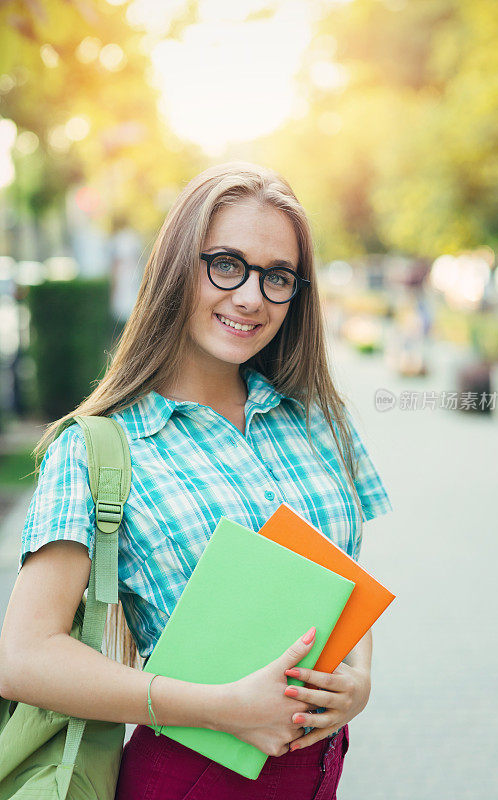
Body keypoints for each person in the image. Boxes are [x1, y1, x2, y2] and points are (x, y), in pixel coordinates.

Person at [0, 162, 393, 800]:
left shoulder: (317, 420)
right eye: (227, 264)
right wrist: (220, 706)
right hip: (192, 777)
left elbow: (341, 582)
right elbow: (23, 657)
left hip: (319, 777)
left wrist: (358, 678)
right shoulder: (100, 448)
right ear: (179, 266)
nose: (250, 297)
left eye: (278, 277)